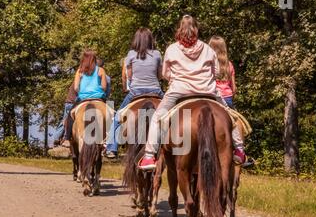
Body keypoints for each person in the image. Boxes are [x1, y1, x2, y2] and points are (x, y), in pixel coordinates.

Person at [138, 15, 246, 170]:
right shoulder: (208, 49)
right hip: (208, 91)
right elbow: (215, 73)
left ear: (180, 29)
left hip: (179, 92)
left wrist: (177, 77)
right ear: (196, 29)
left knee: (157, 118)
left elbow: (165, 74)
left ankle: (149, 156)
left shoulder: (171, 49)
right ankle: (239, 149)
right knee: (230, 115)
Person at [104, 28, 164, 159]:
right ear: (150, 40)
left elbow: (129, 76)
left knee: (117, 118)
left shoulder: (130, 54)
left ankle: (111, 148)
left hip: (136, 92)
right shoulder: (158, 54)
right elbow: (160, 76)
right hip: (155, 91)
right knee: (176, 115)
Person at [209, 36, 236, 108]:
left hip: (212, 97)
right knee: (235, 118)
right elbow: (234, 88)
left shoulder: (208, 64)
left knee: (185, 114)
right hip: (227, 98)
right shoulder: (229, 64)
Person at [54, 82, 77, 148]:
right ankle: (65, 139)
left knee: (64, 122)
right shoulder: (82, 81)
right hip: (72, 103)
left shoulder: (77, 80)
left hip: (69, 103)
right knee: (67, 122)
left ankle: (57, 138)